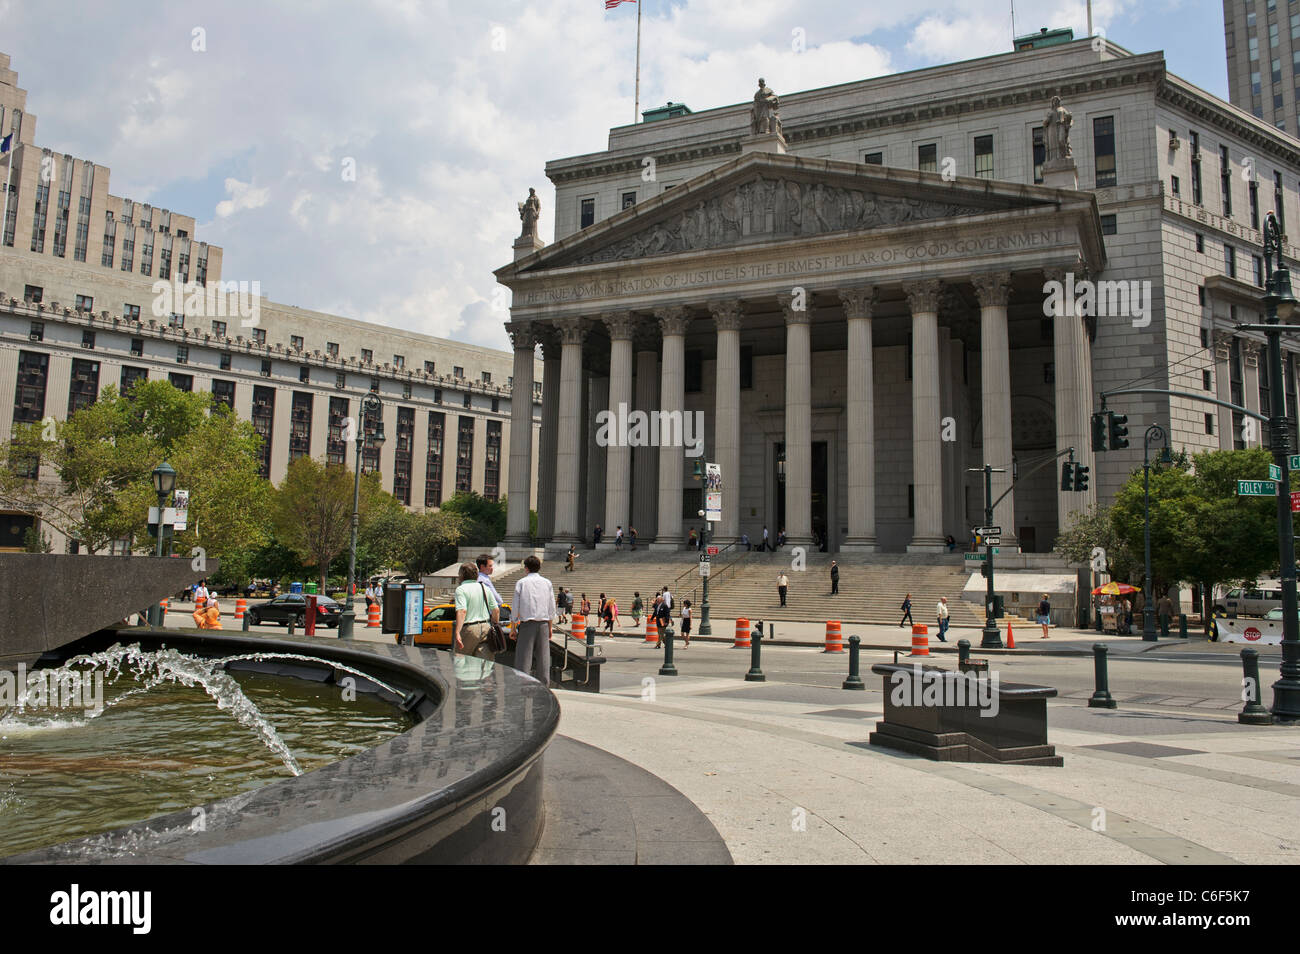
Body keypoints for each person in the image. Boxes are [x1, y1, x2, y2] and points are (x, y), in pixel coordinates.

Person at [512, 555, 555, 686]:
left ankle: (522, 685)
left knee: (523, 658)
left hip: (527, 624)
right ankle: (544, 686)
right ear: (539, 567)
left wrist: (513, 626)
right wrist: (550, 626)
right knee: (543, 658)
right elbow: (551, 607)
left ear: (526, 568)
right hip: (543, 623)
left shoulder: (521, 583)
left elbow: (515, 607)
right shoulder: (547, 583)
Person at [453, 562, 500, 659]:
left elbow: (462, 611)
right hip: (486, 628)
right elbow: (496, 610)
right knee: (484, 665)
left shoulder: (461, 589)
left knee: (462, 662)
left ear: (461, 575)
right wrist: (494, 623)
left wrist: (457, 632)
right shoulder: (485, 588)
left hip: (469, 629)